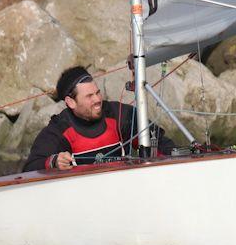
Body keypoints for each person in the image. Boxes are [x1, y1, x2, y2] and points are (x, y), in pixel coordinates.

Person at [23, 66, 175, 172]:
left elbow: (158, 142)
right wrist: (54, 162)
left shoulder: (118, 114)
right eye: (89, 96)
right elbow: (31, 168)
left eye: (97, 92)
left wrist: (175, 155)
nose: (97, 100)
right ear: (71, 102)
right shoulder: (59, 130)